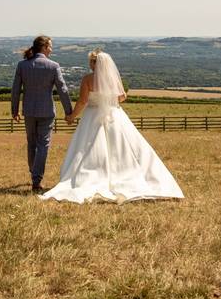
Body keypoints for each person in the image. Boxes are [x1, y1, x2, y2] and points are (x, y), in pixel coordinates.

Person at [40, 50, 184, 204]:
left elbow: (82, 102)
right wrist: (108, 100)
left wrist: (71, 116)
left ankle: (90, 177)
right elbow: (122, 97)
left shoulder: (88, 79)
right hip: (114, 116)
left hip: (92, 116)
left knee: (87, 149)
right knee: (124, 148)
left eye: (90, 61)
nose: (89, 64)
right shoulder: (113, 78)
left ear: (94, 63)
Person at [11, 35, 73, 193]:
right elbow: (63, 90)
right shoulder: (53, 66)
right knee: (43, 145)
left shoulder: (22, 65)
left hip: (29, 111)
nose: (51, 49)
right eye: (50, 46)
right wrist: (69, 111)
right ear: (44, 47)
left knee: (31, 143)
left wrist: (14, 110)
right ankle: (36, 180)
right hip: (46, 111)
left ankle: (34, 174)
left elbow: (16, 90)